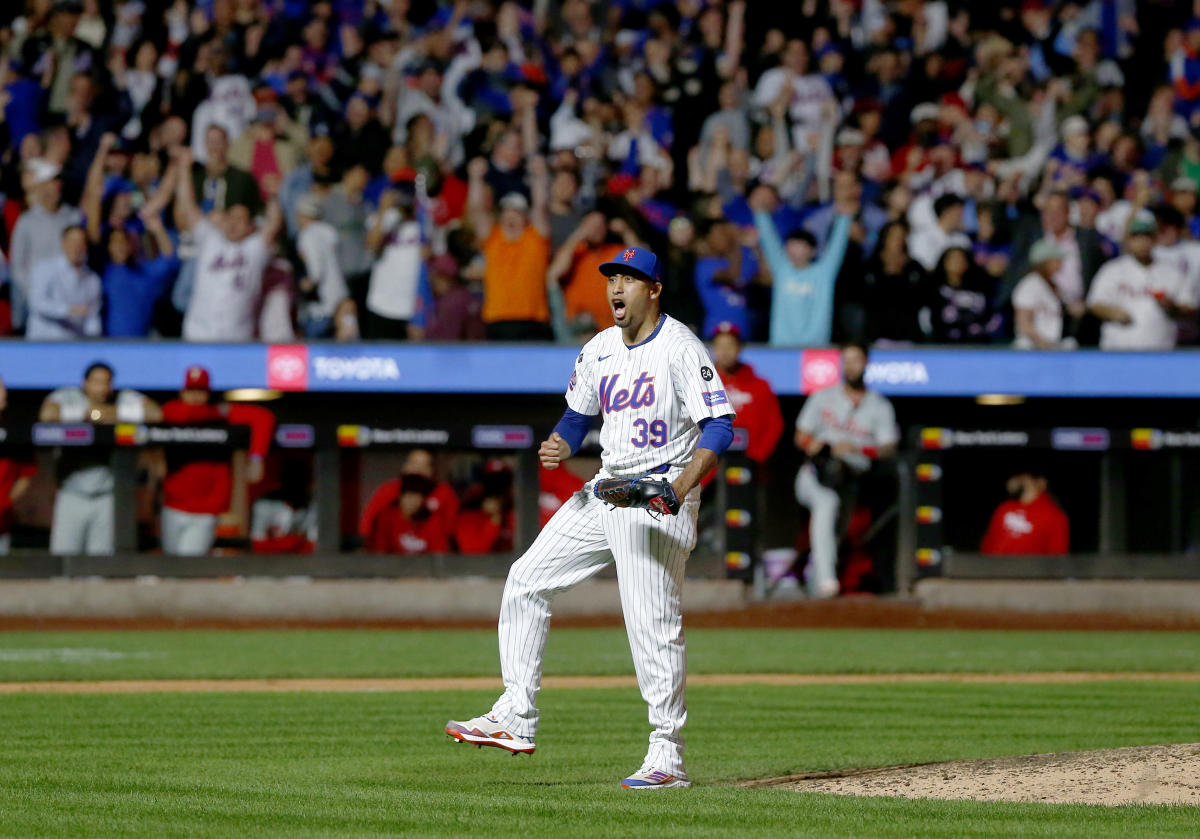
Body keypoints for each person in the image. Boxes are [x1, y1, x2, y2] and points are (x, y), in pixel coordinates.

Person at [445, 245, 736, 791]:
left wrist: (679, 487)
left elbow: (719, 427)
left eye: (629, 279)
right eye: (612, 279)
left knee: (651, 623)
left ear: (653, 290)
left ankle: (666, 755)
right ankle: (515, 716)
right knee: (526, 580)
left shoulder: (679, 347)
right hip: (606, 490)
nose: (616, 288)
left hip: (657, 493)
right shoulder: (600, 349)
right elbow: (577, 416)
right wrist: (561, 441)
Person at [794, 342, 898, 599]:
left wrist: (856, 448)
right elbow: (800, 436)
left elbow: (889, 447)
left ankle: (815, 579)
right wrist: (817, 445)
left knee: (835, 534)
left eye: (857, 359)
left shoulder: (879, 405)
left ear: (866, 364)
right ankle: (827, 583)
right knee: (826, 505)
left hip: (850, 478)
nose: (851, 365)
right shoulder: (823, 397)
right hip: (817, 475)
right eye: (847, 360)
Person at [39, 361, 160, 555]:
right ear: (85, 383)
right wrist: (86, 415)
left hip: (106, 496)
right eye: (97, 382)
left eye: (107, 382)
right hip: (72, 493)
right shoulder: (68, 396)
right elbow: (47, 415)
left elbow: (155, 414)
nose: (103, 388)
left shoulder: (123, 397)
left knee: (100, 562)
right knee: (63, 558)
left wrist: (112, 414)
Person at [159, 366, 275, 556]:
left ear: (208, 393)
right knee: (170, 564)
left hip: (206, 508)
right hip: (173, 505)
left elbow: (264, 417)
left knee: (188, 565)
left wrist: (256, 457)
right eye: (191, 390)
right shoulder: (178, 410)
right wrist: (216, 412)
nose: (195, 396)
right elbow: (179, 414)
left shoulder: (224, 414)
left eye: (201, 391)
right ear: (182, 392)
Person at [173, 148, 283, 341]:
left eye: (240, 219)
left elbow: (273, 224)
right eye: (230, 217)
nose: (233, 222)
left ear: (251, 227)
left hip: (237, 338)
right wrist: (183, 169)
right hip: (198, 334)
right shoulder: (210, 240)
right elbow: (188, 206)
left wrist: (273, 197)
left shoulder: (254, 248)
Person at [466, 156, 553, 341]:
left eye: (517, 212)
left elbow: (540, 206)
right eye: (507, 212)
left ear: (525, 217)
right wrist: (475, 178)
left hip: (532, 320)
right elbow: (476, 210)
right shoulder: (493, 238)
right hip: (497, 320)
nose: (511, 217)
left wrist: (540, 177)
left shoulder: (535, 239)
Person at [751, 186, 851, 347]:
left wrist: (844, 218)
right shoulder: (782, 269)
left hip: (816, 348)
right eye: (791, 245)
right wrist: (761, 214)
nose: (794, 249)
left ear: (812, 251)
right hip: (781, 347)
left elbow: (836, 248)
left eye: (800, 245)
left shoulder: (824, 272)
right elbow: (769, 241)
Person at [1087, 215, 1196, 350]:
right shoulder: (1112, 270)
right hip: (1117, 351)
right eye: (1137, 238)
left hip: (1161, 351)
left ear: (1155, 240)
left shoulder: (1171, 272)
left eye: (1147, 237)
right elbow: (1094, 303)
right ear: (1129, 240)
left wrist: (1173, 307)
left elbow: (1190, 308)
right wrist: (1112, 313)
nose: (1142, 243)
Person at [8, 159, 84, 331]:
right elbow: (17, 266)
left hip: (69, 305)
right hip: (35, 308)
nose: (56, 186)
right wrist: (34, 294)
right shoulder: (26, 221)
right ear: (41, 185)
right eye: (51, 181)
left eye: (58, 181)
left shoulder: (72, 217)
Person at [710, 322, 783, 465]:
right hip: (710, 469)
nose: (725, 352)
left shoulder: (760, 386)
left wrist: (757, 456)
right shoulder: (702, 385)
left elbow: (775, 424)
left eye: (730, 346)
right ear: (713, 349)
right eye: (720, 346)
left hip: (751, 464)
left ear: (739, 348)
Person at [26, 225, 101, 340]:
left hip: (74, 346)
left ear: (86, 246)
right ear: (63, 244)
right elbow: (36, 302)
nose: (76, 247)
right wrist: (69, 310)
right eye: (72, 241)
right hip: (42, 342)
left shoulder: (92, 279)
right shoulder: (45, 268)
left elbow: (92, 316)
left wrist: (95, 341)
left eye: (81, 242)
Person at [981, 467, 1069, 556]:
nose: (1019, 481)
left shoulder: (1055, 516)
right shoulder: (1004, 508)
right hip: (993, 566)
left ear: (1041, 483)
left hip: (1028, 568)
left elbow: (1057, 557)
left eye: (1025, 478)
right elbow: (988, 543)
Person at [295, 197, 350, 338]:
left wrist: (305, 284)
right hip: (340, 295)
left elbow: (316, 270)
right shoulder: (330, 231)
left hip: (321, 307)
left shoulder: (307, 235)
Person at [1012, 239, 1080, 350]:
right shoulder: (1029, 285)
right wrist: (1044, 343)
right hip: (1032, 346)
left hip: (1050, 344)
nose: (1061, 263)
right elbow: (1023, 324)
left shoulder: (1053, 285)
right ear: (1045, 262)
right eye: (1057, 259)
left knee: (1071, 343)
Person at [0, 377, 35, 554]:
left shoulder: (14, 429)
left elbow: (26, 475)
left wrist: (6, 502)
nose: (3, 394)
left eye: (3, 388)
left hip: (2, 521)